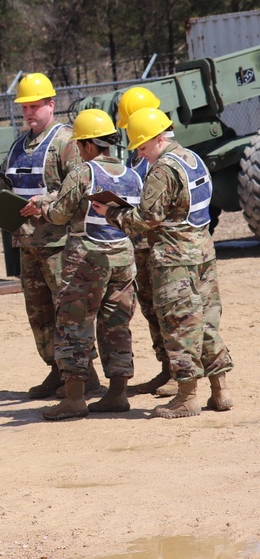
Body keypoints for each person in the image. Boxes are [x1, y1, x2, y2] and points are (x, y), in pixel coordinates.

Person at [92, 108, 234, 418]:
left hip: (174, 261)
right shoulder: (192, 158)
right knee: (206, 323)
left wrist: (110, 213)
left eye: (143, 147)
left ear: (159, 137)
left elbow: (147, 218)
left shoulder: (162, 168)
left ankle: (187, 396)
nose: (141, 154)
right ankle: (220, 391)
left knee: (180, 325)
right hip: (202, 252)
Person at [22, 110, 140, 420]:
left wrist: (42, 205)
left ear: (86, 145)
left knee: (74, 325)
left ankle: (74, 397)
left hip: (86, 259)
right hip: (122, 258)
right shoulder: (131, 173)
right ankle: (117, 393)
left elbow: (60, 214)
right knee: (117, 324)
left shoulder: (83, 173)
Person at [0, 73, 92, 399]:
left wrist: (44, 204)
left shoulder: (66, 142)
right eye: (24, 107)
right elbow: (4, 184)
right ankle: (57, 369)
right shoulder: (18, 145)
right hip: (28, 244)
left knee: (67, 311)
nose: (28, 112)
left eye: (35, 106)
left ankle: (81, 374)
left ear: (52, 104)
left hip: (60, 245)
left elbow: (80, 189)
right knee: (39, 315)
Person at [115, 86, 172, 396]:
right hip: (141, 246)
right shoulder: (138, 158)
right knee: (151, 309)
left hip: (162, 247)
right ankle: (167, 368)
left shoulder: (166, 158)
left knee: (172, 311)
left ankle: (180, 371)